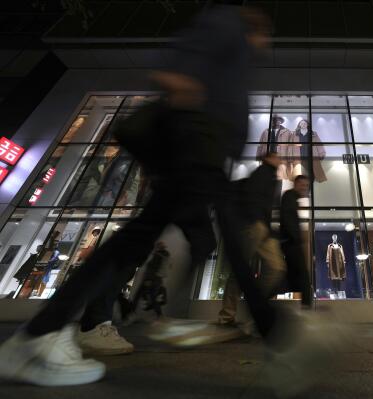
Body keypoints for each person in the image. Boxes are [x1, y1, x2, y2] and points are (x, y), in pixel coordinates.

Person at [0, 5, 285, 386]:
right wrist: (187, 137)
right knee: (193, 239)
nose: (266, 44)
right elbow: (174, 71)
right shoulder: (227, 24)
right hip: (198, 144)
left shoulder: (235, 45)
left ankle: (55, 330)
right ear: (257, 25)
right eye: (266, 34)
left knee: (157, 241)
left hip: (204, 150)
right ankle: (45, 334)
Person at [216, 153, 287, 333]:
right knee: (240, 270)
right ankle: (227, 315)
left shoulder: (271, 177)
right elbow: (251, 198)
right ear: (268, 159)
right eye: (276, 157)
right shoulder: (262, 173)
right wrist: (256, 222)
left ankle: (256, 309)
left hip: (263, 228)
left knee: (276, 268)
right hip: (254, 226)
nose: (280, 160)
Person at [280, 175, 313, 307]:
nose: (305, 188)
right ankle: (307, 304)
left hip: (290, 241)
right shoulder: (289, 196)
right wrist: (296, 238)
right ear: (296, 184)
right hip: (291, 241)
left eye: (306, 186)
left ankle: (305, 303)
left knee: (296, 272)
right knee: (302, 273)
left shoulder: (292, 198)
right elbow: (288, 219)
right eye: (303, 185)